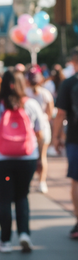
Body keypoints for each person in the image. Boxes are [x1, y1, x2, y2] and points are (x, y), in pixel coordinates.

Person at [0, 69, 44, 253]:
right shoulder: (31, 105)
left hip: (2, 159)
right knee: (22, 196)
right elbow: (40, 134)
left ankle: (5, 240)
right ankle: (24, 234)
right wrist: (40, 157)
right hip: (27, 158)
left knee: (5, 198)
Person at [53, 47, 78, 240]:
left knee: (76, 181)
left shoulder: (69, 83)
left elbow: (60, 113)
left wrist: (56, 137)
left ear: (73, 62)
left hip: (74, 139)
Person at [25, 66, 54, 193]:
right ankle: (42, 182)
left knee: (29, 156)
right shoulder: (46, 93)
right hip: (43, 128)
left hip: (28, 130)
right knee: (42, 157)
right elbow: (50, 113)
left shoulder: (24, 92)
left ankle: (29, 180)